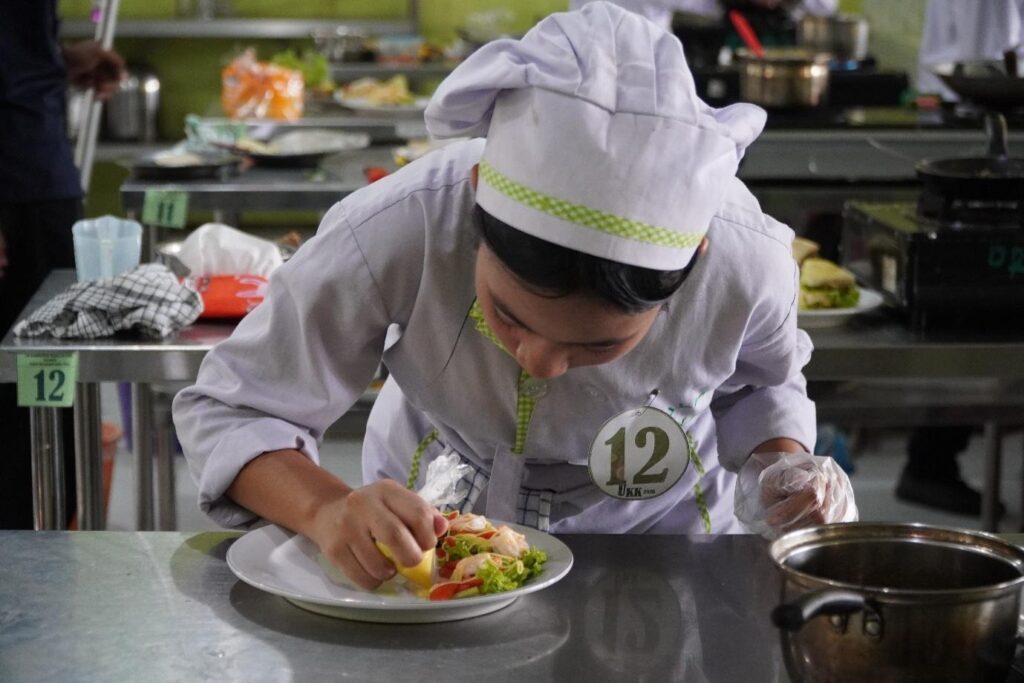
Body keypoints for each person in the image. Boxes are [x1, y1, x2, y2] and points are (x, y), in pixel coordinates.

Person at [173, 3, 856, 590]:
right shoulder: (400, 228)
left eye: (598, 344)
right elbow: (236, 406)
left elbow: (759, 385)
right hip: (430, 518)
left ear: (695, 261)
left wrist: (783, 468)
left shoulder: (746, 263)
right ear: (475, 200)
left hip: (656, 536)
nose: (540, 363)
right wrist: (326, 509)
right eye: (507, 315)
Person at [895, 0, 1024, 516]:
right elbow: (995, 56)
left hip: (977, 106)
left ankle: (931, 460)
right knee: (978, 312)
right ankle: (930, 461)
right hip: (973, 111)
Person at [0, 0, 124, 528]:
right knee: (17, 417)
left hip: (38, 181)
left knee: (44, 409)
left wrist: (58, 61)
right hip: (17, 194)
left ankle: (43, 545)